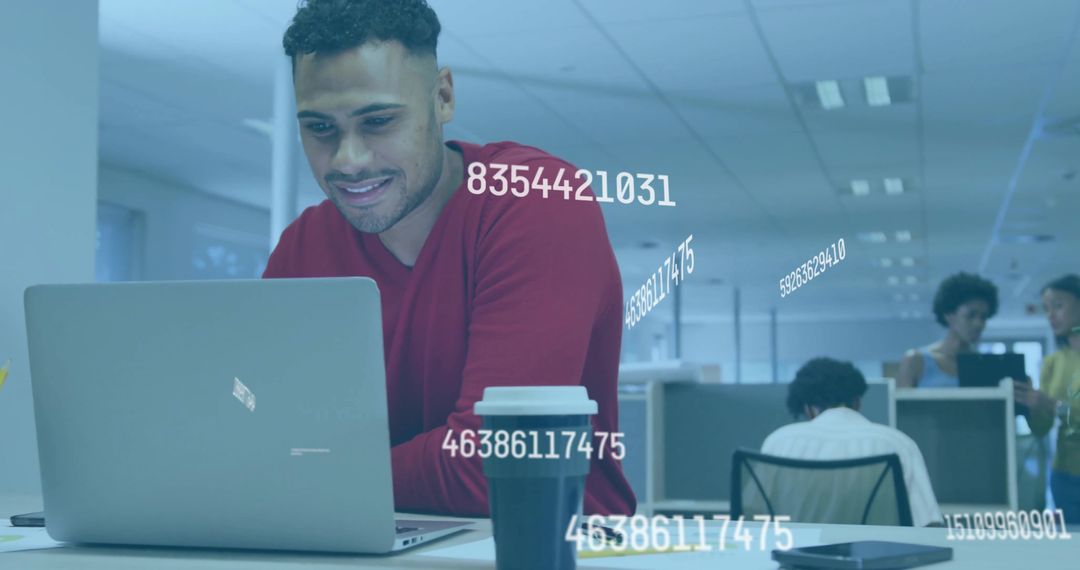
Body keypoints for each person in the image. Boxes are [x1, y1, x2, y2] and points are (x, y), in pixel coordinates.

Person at [264, 0, 635, 516]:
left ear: (442, 97)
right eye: (320, 128)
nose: (349, 160)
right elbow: (264, 447)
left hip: (538, 544)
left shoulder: (537, 197)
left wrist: (307, 476)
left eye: (378, 121)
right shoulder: (301, 249)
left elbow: (493, 463)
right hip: (358, 540)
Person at [762, 358, 942, 527]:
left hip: (795, 557)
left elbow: (755, 514)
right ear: (857, 403)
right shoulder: (897, 443)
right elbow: (928, 522)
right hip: (876, 556)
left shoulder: (779, 442)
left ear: (808, 409)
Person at [1015, 275, 1080, 523]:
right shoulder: (1052, 363)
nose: (1051, 315)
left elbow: (1058, 410)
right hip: (1063, 476)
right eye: (1047, 309)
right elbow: (1041, 429)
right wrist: (1032, 404)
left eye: (1059, 306)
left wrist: (1051, 405)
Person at [897, 272, 999, 388]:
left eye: (983, 317)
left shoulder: (985, 367)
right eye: (970, 315)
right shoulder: (915, 361)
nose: (978, 324)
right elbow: (901, 406)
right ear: (949, 314)